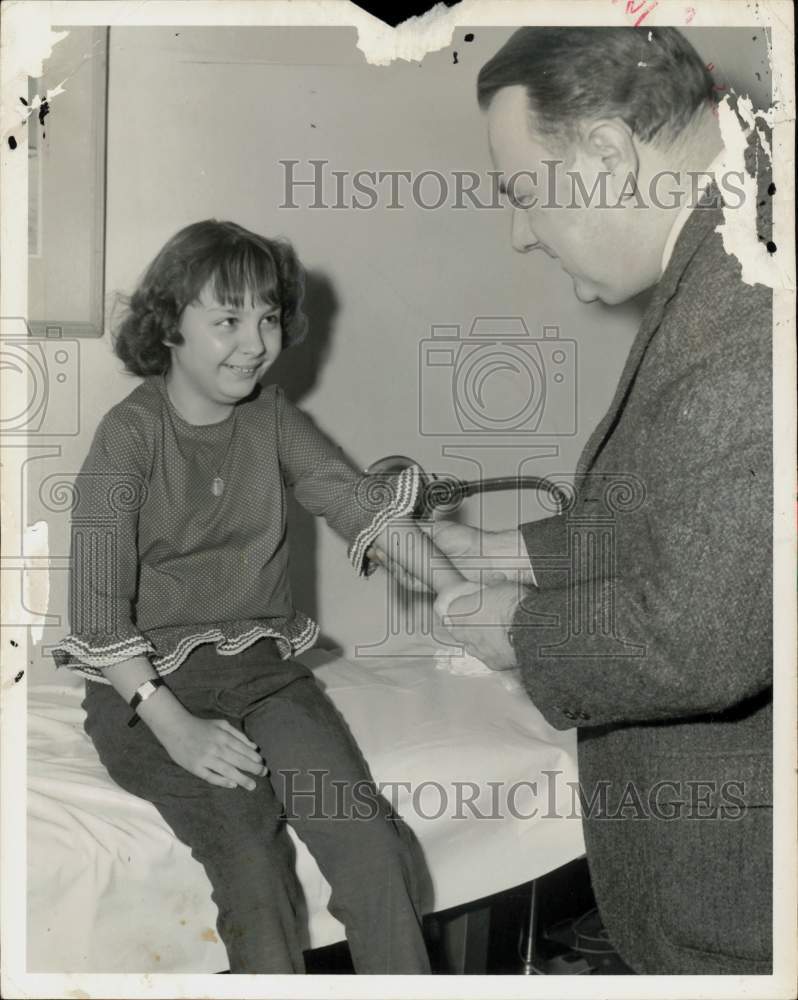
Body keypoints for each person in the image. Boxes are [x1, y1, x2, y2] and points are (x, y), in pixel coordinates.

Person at [426, 28, 772, 975]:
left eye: (523, 194)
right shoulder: (724, 258)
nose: (521, 231)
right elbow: (696, 511)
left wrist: (519, 630)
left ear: (611, 155)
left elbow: (699, 632)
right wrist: (518, 553)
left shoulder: (754, 305)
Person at [52, 220, 433, 974]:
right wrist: (175, 728)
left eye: (266, 316)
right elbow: (95, 614)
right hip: (149, 689)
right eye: (228, 319)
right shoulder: (129, 436)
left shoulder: (273, 419)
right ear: (169, 328)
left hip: (264, 673)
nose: (255, 341)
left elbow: (358, 503)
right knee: (256, 873)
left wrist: (451, 586)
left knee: (373, 848)